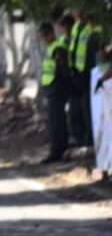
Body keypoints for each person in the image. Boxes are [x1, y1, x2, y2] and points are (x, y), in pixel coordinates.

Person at [37, 22, 72, 164]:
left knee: (58, 122)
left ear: (51, 33)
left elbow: (63, 70)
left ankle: (58, 151)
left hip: (57, 88)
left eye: (45, 35)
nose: (44, 38)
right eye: (42, 36)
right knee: (54, 121)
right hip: (51, 88)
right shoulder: (51, 48)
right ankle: (58, 149)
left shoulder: (58, 48)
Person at [67, 11, 102, 148]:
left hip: (90, 75)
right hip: (78, 74)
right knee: (78, 110)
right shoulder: (77, 27)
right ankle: (83, 140)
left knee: (89, 110)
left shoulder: (94, 30)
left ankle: (91, 141)